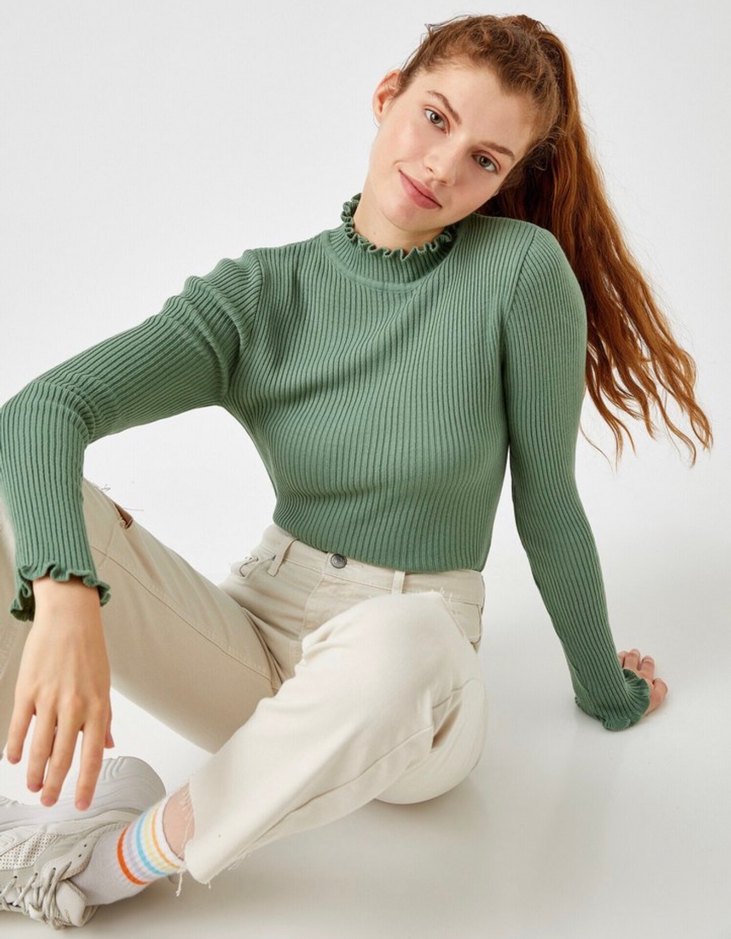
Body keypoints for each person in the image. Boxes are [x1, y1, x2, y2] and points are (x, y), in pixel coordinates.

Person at [0, 11, 713, 929]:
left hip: (414, 686)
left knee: (410, 638)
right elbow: (41, 412)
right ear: (387, 96)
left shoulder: (519, 275)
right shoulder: (260, 294)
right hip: (258, 635)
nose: (443, 166)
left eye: (485, 159)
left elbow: (547, 504)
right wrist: (64, 588)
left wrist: (605, 691)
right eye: (434, 117)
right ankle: (37, 805)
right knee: (23, 505)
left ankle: (112, 861)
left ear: (506, 179)